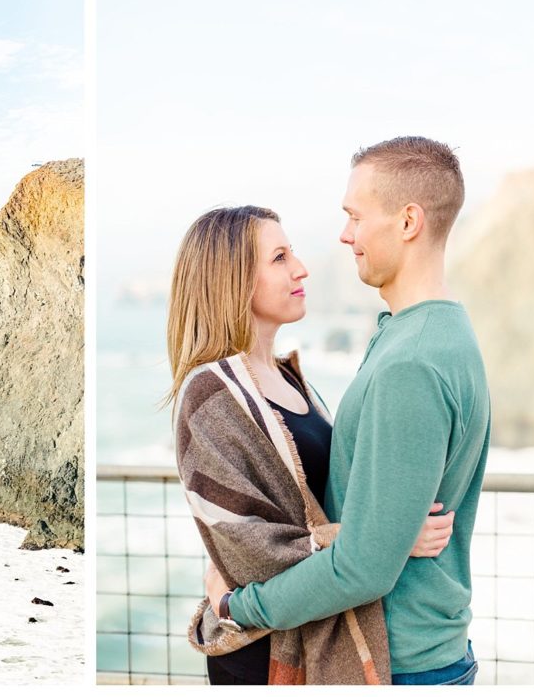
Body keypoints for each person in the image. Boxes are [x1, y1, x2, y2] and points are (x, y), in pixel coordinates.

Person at [203, 136, 491, 686]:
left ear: (408, 222)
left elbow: (363, 568)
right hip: (421, 650)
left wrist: (237, 609)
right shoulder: (437, 334)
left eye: (354, 216)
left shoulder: (411, 363)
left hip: (400, 663)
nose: (344, 234)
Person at [170, 204, 455, 685]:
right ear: (233, 280)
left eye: (292, 253)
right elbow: (247, 552)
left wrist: (381, 533)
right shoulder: (208, 394)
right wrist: (389, 540)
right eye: (279, 258)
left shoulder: (289, 378)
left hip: (309, 630)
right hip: (260, 656)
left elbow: (324, 502)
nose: (300, 268)